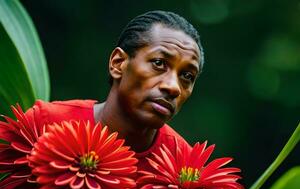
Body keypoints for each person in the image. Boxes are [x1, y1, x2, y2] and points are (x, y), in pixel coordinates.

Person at [26, 9, 203, 178]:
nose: (173, 87)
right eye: (158, 63)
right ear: (118, 63)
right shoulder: (44, 124)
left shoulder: (188, 170)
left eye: (187, 76)